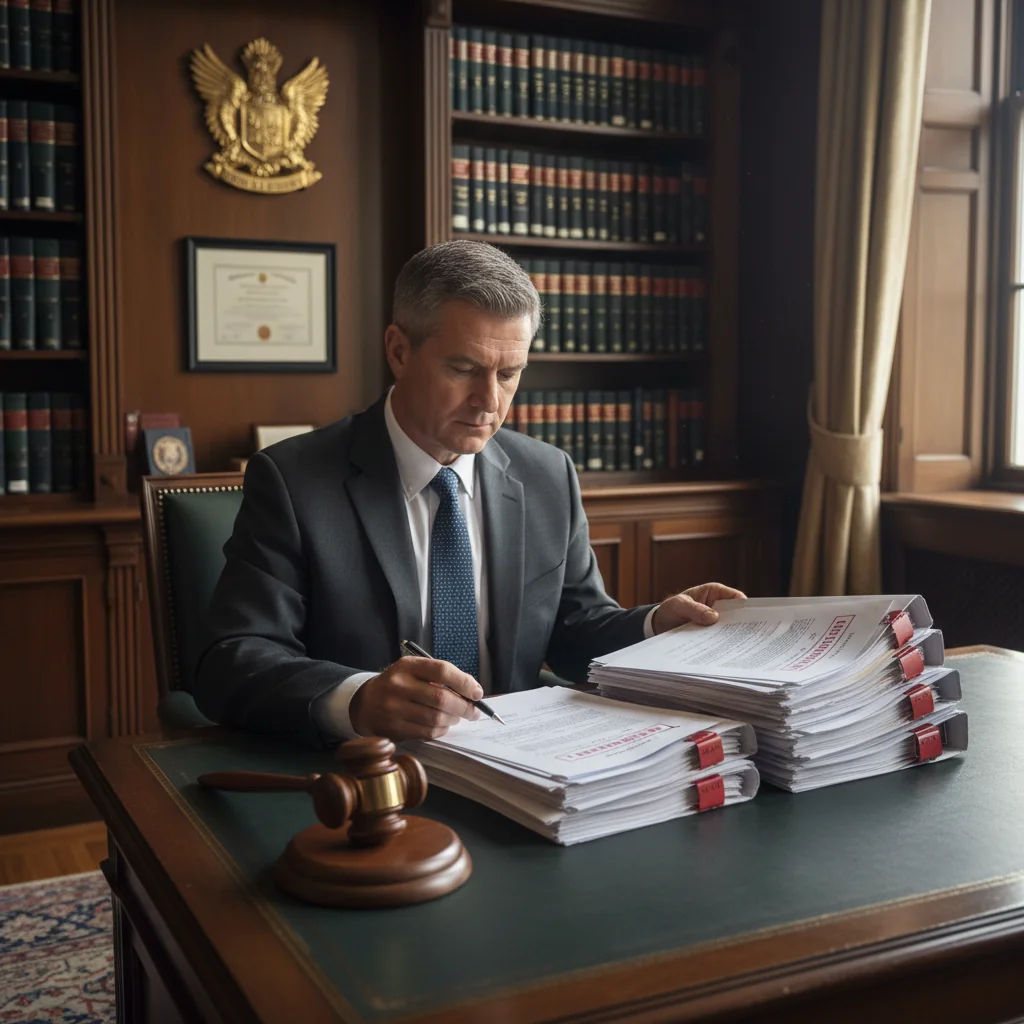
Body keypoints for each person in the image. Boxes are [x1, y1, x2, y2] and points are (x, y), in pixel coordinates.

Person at [194, 240, 745, 746]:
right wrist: (359, 699)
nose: (490, 400)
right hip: (367, 776)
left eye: (511, 373)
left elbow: (577, 628)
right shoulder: (295, 478)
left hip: (522, 759)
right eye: (464, 368)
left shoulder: (547, 474)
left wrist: (654, 628)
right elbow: (233, 660)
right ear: (399, 350)